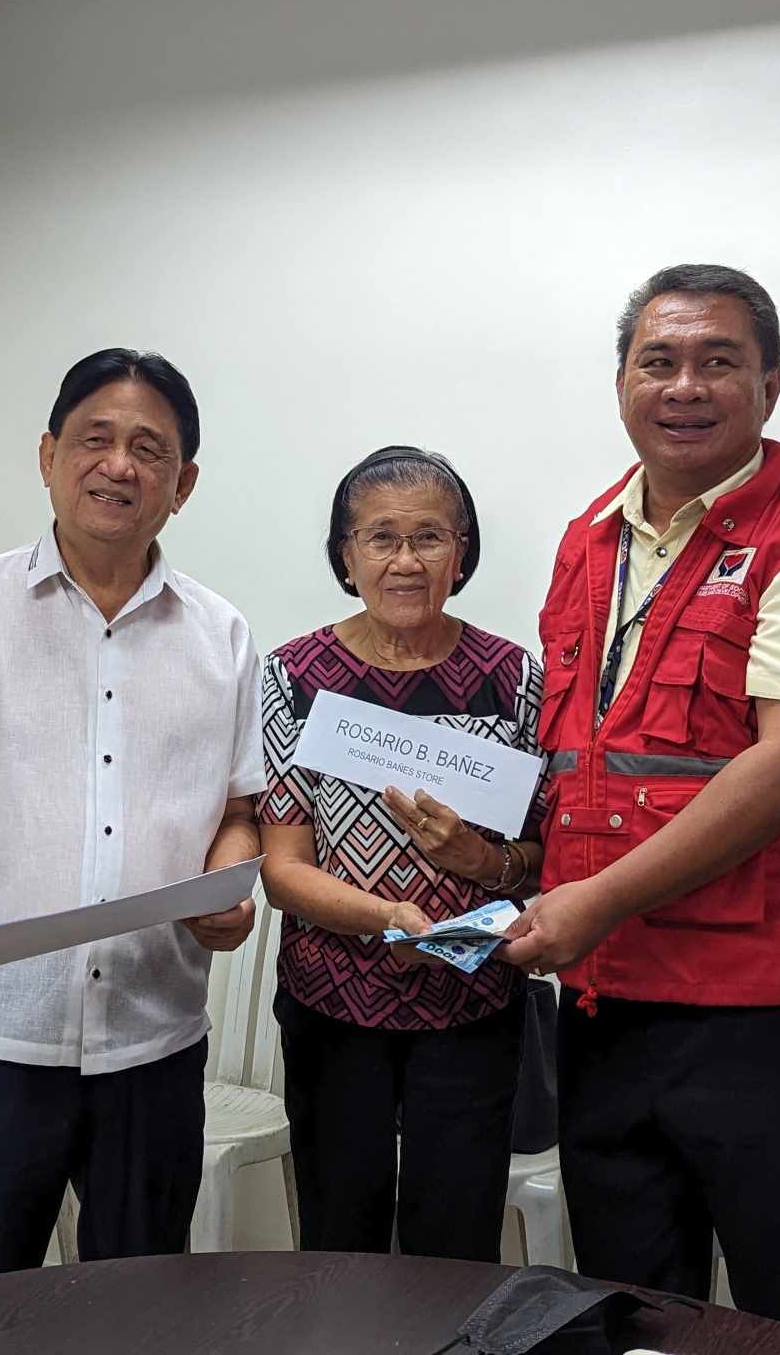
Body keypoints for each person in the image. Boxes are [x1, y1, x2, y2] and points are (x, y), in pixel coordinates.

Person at [501, 263, 780, 1344]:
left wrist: (589, 903)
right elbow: (592, 760)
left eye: (718, 361)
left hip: (775, 1014)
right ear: (623, 381)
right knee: (633, 1313)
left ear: (770, 386)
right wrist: (511, 868)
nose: (685, 384)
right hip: (612, 1002)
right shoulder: (590, 541)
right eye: (660, 360)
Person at [0, 348, 264, 1283]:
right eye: (95, 440)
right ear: (48, 455)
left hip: (155, 1038)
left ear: (182, 483)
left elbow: (240, 810)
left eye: (148, 449)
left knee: (139, 1311)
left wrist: (230, 889)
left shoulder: (224, 636)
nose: (119, 465)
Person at [258, 445, 545, 1260]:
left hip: (473, 1006)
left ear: (463, 551)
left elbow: (545, 853)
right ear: (346, 557)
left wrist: (483, 866)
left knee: (454, 1248)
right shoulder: (296, 677)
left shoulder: (516, 680)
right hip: (331, 1006)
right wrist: (388, 917)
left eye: (430, 537)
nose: (406, 561)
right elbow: (283, 868)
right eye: (380, 538)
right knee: (338, 1238)